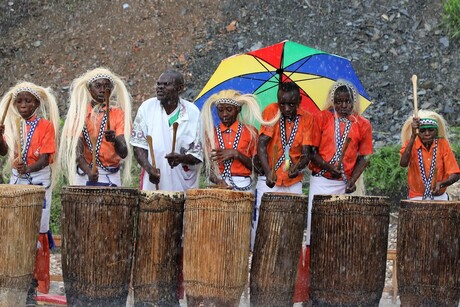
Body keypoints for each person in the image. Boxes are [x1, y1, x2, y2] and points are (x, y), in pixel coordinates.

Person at [294, 79, 373, 305]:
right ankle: (310, 292)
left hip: (344, 184)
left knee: (340, 234)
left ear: (353, 102)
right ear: (333, 101)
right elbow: (312, 151)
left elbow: (364, 156)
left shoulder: (362, 124)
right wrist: (329, 167)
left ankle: (337, 287)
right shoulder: (322, 118)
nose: (343, 105)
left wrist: (353, 181)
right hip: (321, 181)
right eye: (338, 101)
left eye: (347, 101)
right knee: (316, 232)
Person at [0, 81, 60, 299]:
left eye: (27, 101)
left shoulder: (45, 126)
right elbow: (3, 151)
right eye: (19, 101)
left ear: (36, 103)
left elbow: (45, 158)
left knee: (36, 230)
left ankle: (34, 283)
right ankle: (14, 276)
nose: (23, 105)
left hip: (38, 182)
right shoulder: (14, 124)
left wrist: (28, 168)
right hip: (18, 181)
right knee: (14, 228)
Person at [253, 81, 313, 249]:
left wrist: (297, 168)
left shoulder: (307, 118)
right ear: (278, 100)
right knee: (265, 225)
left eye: (291, 104)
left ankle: (288, 265)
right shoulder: (272, 110)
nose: (286, 108)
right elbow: (262, 144)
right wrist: (267, 171)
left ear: (300, 101)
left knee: (291, 225)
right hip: (270, 179)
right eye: (282, 104)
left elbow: (306, 153)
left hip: (293, 181)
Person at [130, 70, 202, 191]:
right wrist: (149, 169)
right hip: (153, 179)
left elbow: (198, 154)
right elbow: (138, 146)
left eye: (166, 84)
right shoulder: (147, 108)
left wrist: (181, 159)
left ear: (180, 88)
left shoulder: (192, 112)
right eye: (158, 84)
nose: (160, 88)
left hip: (182, 182)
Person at [59, 67, 132, 186]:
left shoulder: (118, 114)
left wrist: (115, 140)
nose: (103, 90)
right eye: (98, 86)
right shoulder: (79, 114)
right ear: (89, 89)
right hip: (85, 174)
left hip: (110, 175)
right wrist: (88, 170)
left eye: (107, 86)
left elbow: (123, 153)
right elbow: (76, 150)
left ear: (112, 89)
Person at [201, 89, 276, 191]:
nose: (224, 114)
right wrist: (218, 181)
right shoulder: (211, 133)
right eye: (220, 110)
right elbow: (207, 168)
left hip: (243, 184)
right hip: (219, 185)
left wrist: (237, 154)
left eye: (229, 109)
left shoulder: (250, 132)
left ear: (238, 109)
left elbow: (259, 168)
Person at [400, 109, 460, 200]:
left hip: (440, 197)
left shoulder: (442, 144)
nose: (427, 134)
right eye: (422, 131)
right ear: (417, 131)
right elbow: (403, 163)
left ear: (436, 131)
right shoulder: (411, 143)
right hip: (416, 197)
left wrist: (441, 184)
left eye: (431, 130)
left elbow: (455, 174)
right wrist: (413, 136)